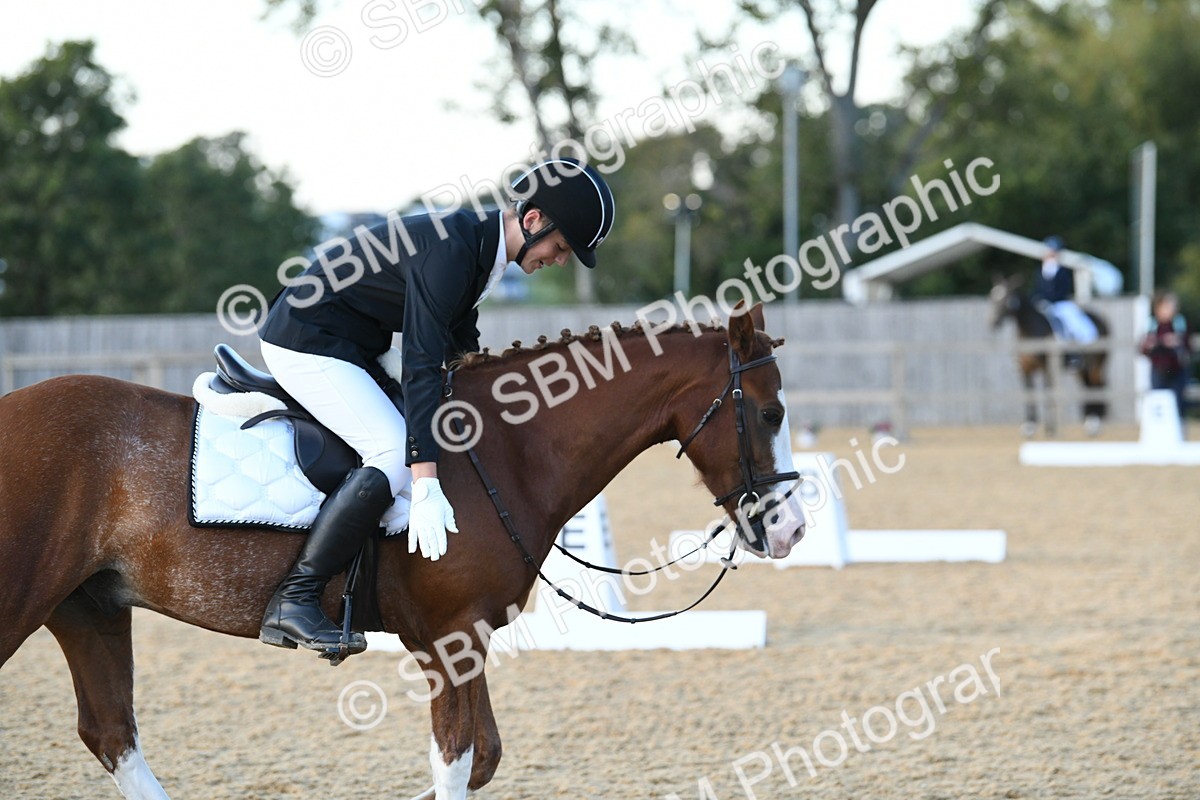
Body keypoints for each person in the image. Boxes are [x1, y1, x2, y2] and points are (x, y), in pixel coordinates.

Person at [254, 158, 616, 655]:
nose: (559, 259)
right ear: (533, 221)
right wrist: (425, 483)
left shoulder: (480, 247)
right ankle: (296, 597)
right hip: (306, 339)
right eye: (560, 247)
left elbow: (458, 351)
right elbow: (423, 362)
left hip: (354, 337)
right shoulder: (453, 251)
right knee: (389, 452)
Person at [1032, 235, 1099, 345]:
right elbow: (1036, 289)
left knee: (1072, 319)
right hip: (1044, 305)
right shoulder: (1039, 271)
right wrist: (1037, 300)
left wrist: (1050, 300)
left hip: (1060, 304)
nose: (1050, 254)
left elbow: (1063, 290)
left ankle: (1076, 345)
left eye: (1053, 251)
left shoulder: (1063, 271)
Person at [1140, 290, 1191, 421]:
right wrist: (1162, 342)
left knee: (1178, 404)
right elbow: (1143, 347)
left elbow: (1187, 345)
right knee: (1158, 402)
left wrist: (1177, 342)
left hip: (1177, 370)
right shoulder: (1152, 324)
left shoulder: (1179, 323)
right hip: (1158, 369)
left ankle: (1179, 435)